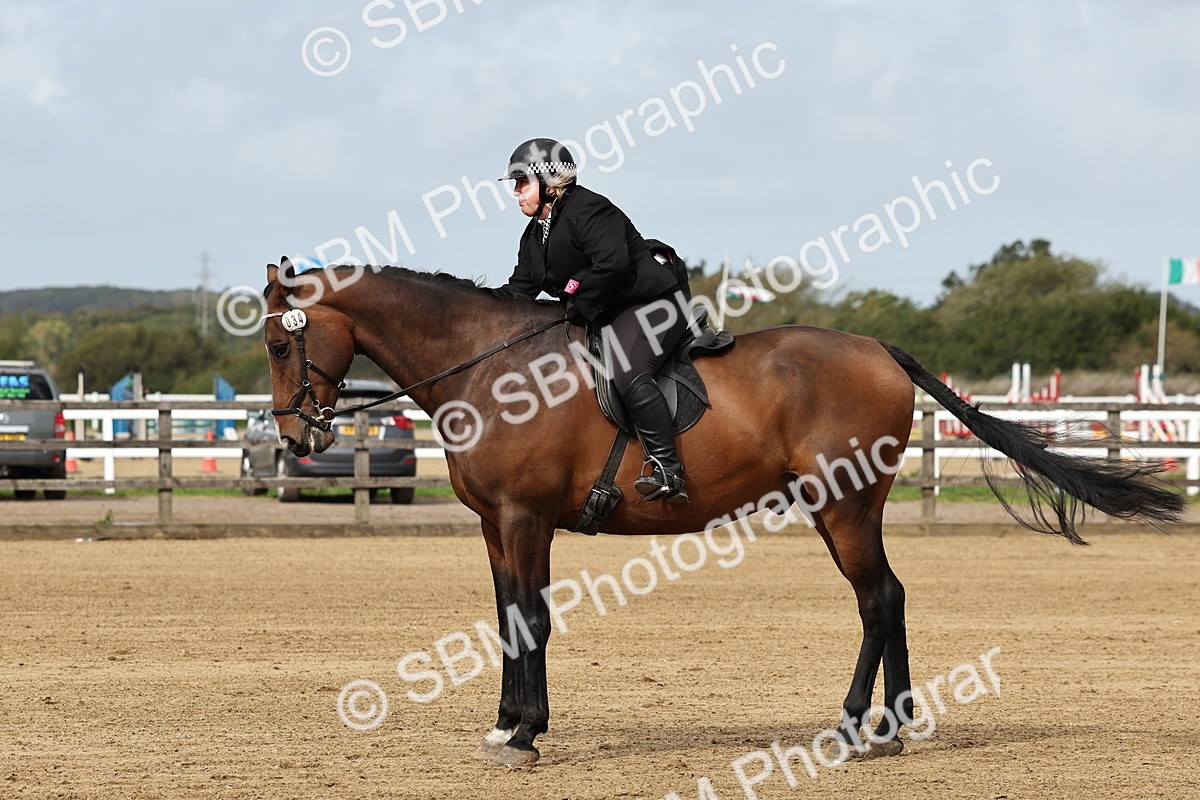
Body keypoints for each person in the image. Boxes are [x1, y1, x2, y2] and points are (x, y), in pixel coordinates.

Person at [498, 138, 692, 503]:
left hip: (656, 304)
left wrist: (576, 308)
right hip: (611, 311)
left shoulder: (589, 210)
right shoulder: (534, 237)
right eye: (515, 184)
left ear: (550, 182)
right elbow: (517, 293)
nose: (516, 192)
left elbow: (612, 265)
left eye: (522, 182)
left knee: (628, 370)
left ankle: (669, 469)